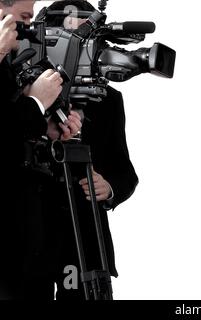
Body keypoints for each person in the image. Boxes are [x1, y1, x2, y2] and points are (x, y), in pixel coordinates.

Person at [26, 0, 138, 300]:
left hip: (83, 241)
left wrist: (109, 187)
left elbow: (125, 170)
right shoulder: (19, 85)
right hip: (25, 238)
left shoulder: (108, 98)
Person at [0, 0, 82, 299]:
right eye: (24, 16)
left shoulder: (11, 60)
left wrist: (44, 128)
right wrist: (35, 104)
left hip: (27, 246)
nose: (28, 27)